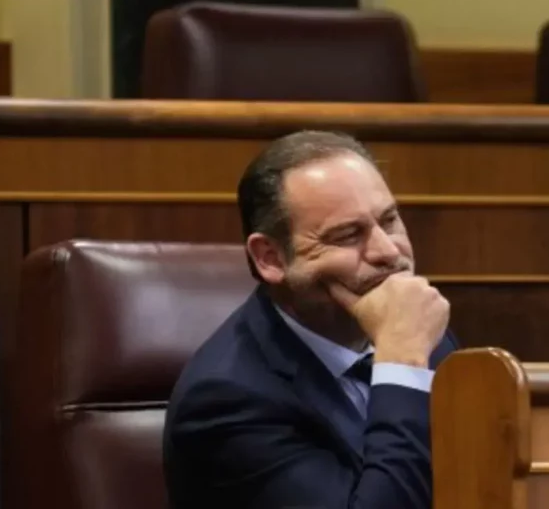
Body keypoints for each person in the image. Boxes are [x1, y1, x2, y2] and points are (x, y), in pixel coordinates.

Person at [163, 130, 459, 509]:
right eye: (347, 235)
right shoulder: (227, 401)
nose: (388, 252)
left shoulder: (423, 333)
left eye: (389, 221)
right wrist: (401, 362)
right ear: (270, 257)